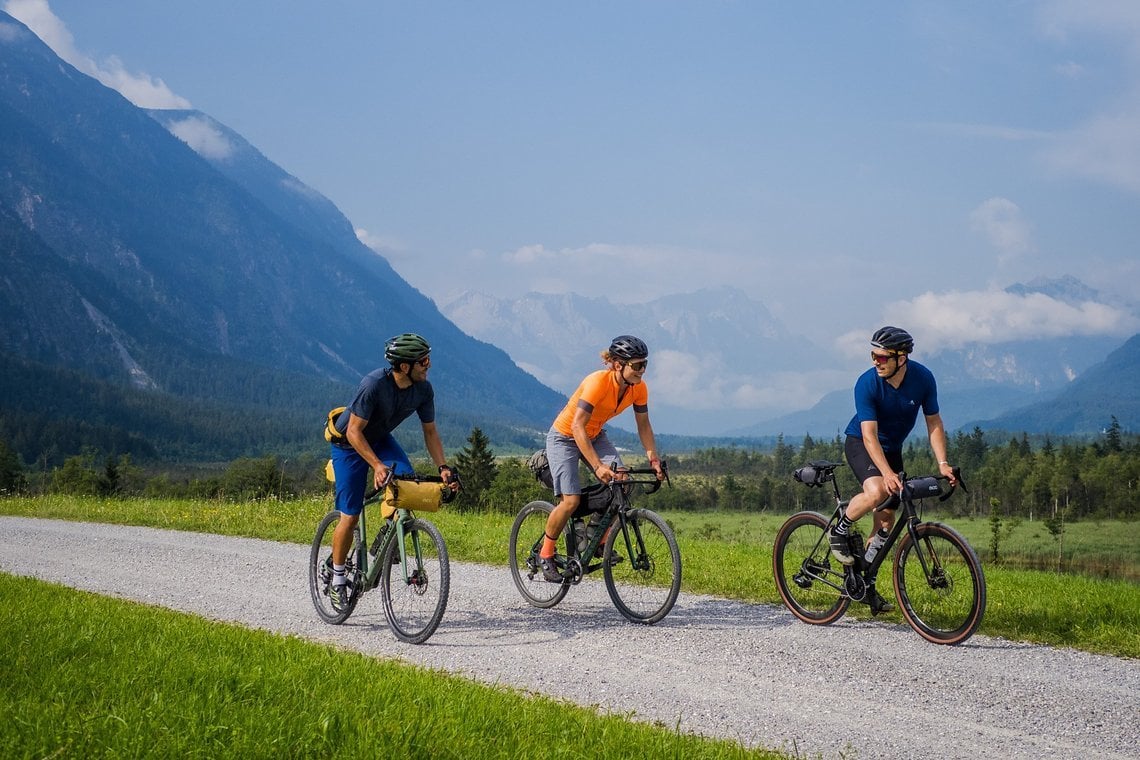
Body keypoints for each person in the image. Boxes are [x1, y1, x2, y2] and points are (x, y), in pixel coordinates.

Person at [829, 326, 956, 614]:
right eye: (873, 355)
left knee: (886, 523)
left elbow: (933, 422)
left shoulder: (923, 379)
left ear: (902, 358)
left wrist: (943, 463)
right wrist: (886, 474)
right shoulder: (867, 383)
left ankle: (865, 583)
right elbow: (870, 437)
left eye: (882, 357)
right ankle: (840, 529)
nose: (876, 361)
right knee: (876, 492)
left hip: (892, 450)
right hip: (862, 443)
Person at [327, 332, 459, 609]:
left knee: (407, 486)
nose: (429, 365)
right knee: (350, 517)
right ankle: (337, 577)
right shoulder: (373, 385)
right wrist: (376, 465)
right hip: (349, 444)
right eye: (423, 360)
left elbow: (431, 432)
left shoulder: (423, 390)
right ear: (404, 367)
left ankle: (386, 537)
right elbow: (353, 431)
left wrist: (443, 467)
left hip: (379, 439)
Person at [539, 335, 665, 582]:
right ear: (618, 365)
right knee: (570, 501)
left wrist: (654, 459)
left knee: (624, 481)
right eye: (637, 365)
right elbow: (577, 427)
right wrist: (597, 466)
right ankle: (546, 554)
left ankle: (596, 539)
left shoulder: (638, 388)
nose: (642, 370)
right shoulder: (597, 382)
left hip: (594, 434)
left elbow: (644, 426)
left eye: (645, 364)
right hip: (565, 436)